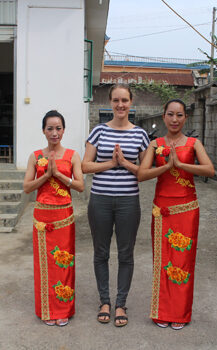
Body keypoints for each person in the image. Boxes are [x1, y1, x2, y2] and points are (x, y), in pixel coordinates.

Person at [137, 99, 214, 330]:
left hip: (187, 210)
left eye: (179, 115)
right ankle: (162, 312)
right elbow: (142, 174)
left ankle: (180, 313)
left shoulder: (193, 143)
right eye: (170, 114)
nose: (174, 119)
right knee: (162, 262)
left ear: (185, 118)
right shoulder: (155, 144)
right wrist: (166, 168)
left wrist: (180, 164)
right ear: (163, 116)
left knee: (183, 262)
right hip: (162, 211)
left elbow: (209, 170)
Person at [82, 84, 149, 327]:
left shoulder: (140, 135)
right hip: (100, 199)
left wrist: (125, 163)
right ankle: (104, 301)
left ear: (131, 102)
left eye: (125, 100)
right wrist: (111, 163)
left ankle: (120, 303)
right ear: (110, 102)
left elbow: (145, 171)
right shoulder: (98, 131)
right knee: (100, 252)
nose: (120, 105)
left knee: (125, 253)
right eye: (116, 100)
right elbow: (85, 166)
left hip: (128, 202)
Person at [24, 110, 84, 326]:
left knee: (64, 265)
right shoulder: (35, 156)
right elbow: (26, 187)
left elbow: (80, 186)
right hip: (42, 218)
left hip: (64, 217)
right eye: (50, 128)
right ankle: (47, 310)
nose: (54, 132)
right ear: (43, 130)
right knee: (44, 265)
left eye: (58, 128)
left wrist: (58, 175)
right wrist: (46, 176)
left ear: (64, 130)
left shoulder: (72, 155)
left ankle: (63, 310)